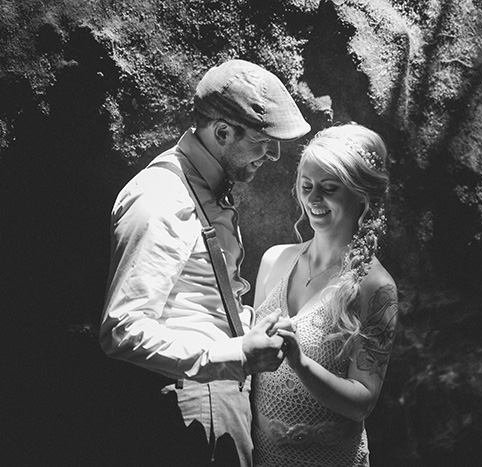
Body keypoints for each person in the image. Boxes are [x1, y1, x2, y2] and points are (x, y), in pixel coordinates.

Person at [100, 59, 310, 466]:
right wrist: (235, 355)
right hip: (193, 407)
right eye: (264, 139)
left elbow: (203, 301)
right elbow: (121, 328)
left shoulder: (206, 189)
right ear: (223, 132)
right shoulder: (161, 196)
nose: (274, 154)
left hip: (219, 397)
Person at [251, 123, 399, 466]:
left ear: (361, 194)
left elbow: (363, 401)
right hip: (261, 456)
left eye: (329, 188)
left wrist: (300, 363)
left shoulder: (375, 288)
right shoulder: (274, 259)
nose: (313, 199)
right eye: (307, 186)